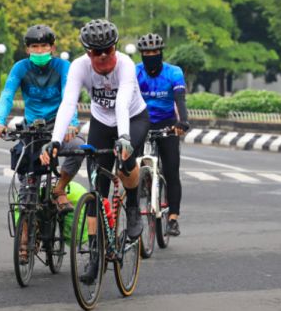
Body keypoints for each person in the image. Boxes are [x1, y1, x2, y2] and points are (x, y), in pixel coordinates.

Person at [40, 19, 149, 283]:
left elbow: (122, 104)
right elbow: (68, 103)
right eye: (95, 52)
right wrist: (55, 141)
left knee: (125, 163)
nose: (102, 57)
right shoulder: (79, 67)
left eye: (108, 50)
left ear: (115, 48)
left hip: (133, 118)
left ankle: (133, 206)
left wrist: (124, 140)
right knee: (97, 189)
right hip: (101, 121)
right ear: (87, 52)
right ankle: (95, 256)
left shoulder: (124, 65)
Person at [0, 24, 84, 214]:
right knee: (26, 195)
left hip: (58, 127)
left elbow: (69, 95)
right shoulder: (20, 68)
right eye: (34, 47)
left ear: (52, 48)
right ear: (27, 49)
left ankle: (59, 189)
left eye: (44, 46)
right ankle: (25, 239)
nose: (39, 51)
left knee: (78, 147)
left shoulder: (63, 67)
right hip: (31, 130)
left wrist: (72, 123)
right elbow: (7, 94)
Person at [136, 33, 190, 236]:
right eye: (146, 53)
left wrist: (182, 122)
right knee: (132, 161)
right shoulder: (135, 72)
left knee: (171, 169)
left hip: (168, 124)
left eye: (154, 52)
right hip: (141, 121)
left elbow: (180, 99)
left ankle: (173, 217)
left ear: (161, 53)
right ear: (141, 55)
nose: (151, 55)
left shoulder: (173, 72)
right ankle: (139, 188)